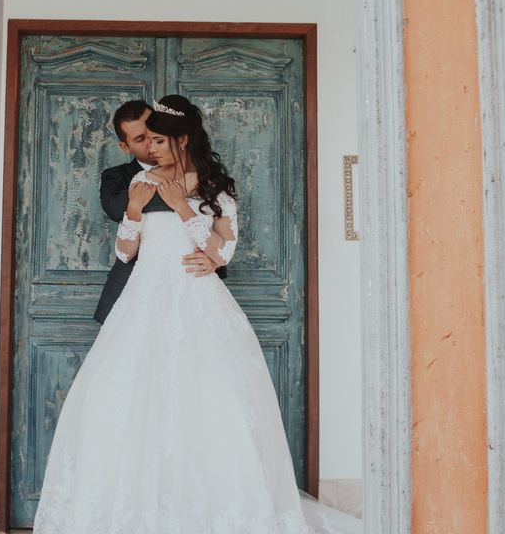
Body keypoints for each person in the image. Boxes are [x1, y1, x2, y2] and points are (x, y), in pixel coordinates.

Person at [34, 95, 359, 534]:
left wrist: (184, 208)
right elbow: (125, 251)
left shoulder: (213, 187)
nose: (152, 148)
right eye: (147, 141)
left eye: (158, 140)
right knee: (127, 400)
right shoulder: (140, 180)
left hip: (198, 299)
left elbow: (223, 251)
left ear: (182, 139)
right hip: (142, 300)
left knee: (211, 401)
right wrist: (134, 209)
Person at [94, 100, 224, 325]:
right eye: (140, 139)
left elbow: (219, 226)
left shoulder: (206, 175)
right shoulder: (117, 176)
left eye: (154, 133)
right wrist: (179, 189)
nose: (151, 144)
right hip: (133, 290)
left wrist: (216, 260)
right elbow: (115, 208)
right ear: (125, 147)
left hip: (194, 287)